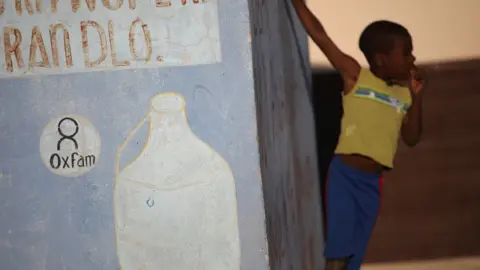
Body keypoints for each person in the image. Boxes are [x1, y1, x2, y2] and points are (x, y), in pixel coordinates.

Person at [290, 1, 427, 270]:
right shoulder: (356, 76)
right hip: (345, 178)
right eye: (407, 53)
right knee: (338, 255)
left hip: (371, 186)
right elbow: (320, 36)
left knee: (353, 261)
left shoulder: (403, 95)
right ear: (381, 59)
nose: (413, 59)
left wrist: (417, 98)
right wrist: (297, 3)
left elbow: (411, 138)